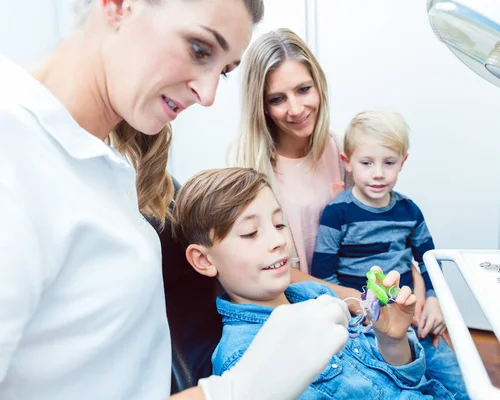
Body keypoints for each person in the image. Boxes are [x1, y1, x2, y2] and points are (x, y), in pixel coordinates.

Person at [0, 1, 351, 399]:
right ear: (118, 6)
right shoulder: (12, 154)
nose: (207, 94)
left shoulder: (105, 165)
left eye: (223, 70)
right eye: (199, 49)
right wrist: (235, 390)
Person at [171, 167, 455, 400]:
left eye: (280, 224)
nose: (278, 241)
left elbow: (407, 381)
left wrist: (392, 341)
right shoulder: (243, 359)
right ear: (204, 260)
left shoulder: (316, 295)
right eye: (250, 233)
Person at [231, 28, 426, 307]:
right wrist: (365, 301)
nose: (296, 109)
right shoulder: (249, 169)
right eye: (277, 98)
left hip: (360, 299)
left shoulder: (339, 150)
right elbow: (270, 269)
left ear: (319, 86)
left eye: (303, 89)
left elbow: (382, 229)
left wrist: (420, 293)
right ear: (261, 105)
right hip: (299, 305)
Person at [312, 109, 469, 399]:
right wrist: (359, 317)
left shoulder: (409, 211)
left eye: (389, 162)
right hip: (361, 327)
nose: (378, 173)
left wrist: (434, 301)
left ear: (402, 162)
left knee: (460, 385)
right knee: (396, 387)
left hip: (414, 319)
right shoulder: (337, 214)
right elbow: (323, 277)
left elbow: (428, 261)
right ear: (348, 163)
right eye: (367, 163)